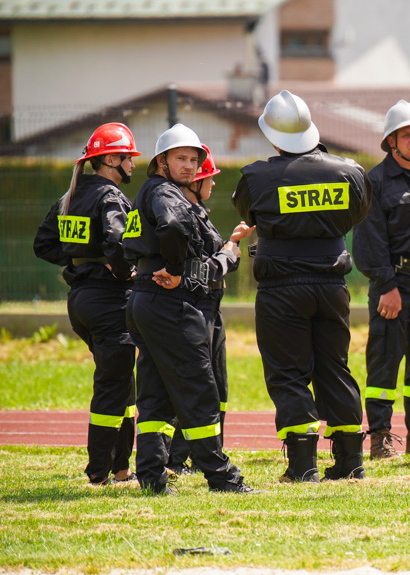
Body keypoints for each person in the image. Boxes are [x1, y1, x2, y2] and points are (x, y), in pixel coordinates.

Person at [232, 90, 371, 482]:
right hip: (331, 285)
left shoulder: (256, 176)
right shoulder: (349, 170)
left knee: (288, 372)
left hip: (281, 288)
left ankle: (302, 466)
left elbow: (248, 211)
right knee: (335, 367)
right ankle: (350, 462)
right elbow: (359, 212)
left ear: (272, 135)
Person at [124, 123, 254, 494]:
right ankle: (221, 477)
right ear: (161, 161)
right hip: (170, 305)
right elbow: (175, 226)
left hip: (144, 299)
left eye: (193, 159)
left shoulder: (150, 192)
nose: (189, 166)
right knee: (199, 391)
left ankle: (151, 475)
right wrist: (181, 270)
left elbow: (130, 245)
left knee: (155, 395)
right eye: (181, 158)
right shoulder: (166, 193)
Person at [33, 123, 141, 486]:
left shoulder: (71, 195)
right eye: (129, 159)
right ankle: (98, 472)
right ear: (112, 159)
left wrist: (83, 261)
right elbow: (118, 242)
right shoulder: (110, 197)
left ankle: (122, 467)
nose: (133, 166)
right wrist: (122, 271)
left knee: (123, 384)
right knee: (113, 385)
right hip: (110, 301)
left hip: (80, 300)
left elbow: (44, 245)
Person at [352, 100, 410, 460]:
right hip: (395, 285)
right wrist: (387, 287)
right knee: (384, 364)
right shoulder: (374, 181)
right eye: (406, 135)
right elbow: (369, 242)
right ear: (391, 141)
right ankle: (380, 438)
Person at [166, 145, 254, 475]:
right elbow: (203, 268)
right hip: (195, 309)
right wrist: (229, 251)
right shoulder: (182, 216)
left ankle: (206, 454)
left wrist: (230, 243)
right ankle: (177, 459)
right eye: (209, 177)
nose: (214, 183)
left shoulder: (198, 212)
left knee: (218, 389)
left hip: (211, 310)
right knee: (197, 388)